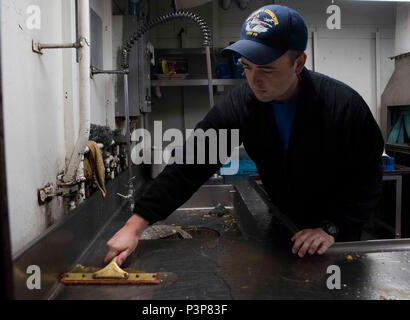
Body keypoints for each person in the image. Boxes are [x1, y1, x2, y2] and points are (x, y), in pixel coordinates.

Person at [104, 4, 384, 265]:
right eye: (247, 67)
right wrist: (134, 227)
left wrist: (331, 227)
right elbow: (190, 166)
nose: (254, 80)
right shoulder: (242, 107)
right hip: (285, 222)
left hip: (336, 235)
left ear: (298, 63)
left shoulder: (343, 106)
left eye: (267, 70)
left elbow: (367, 176)